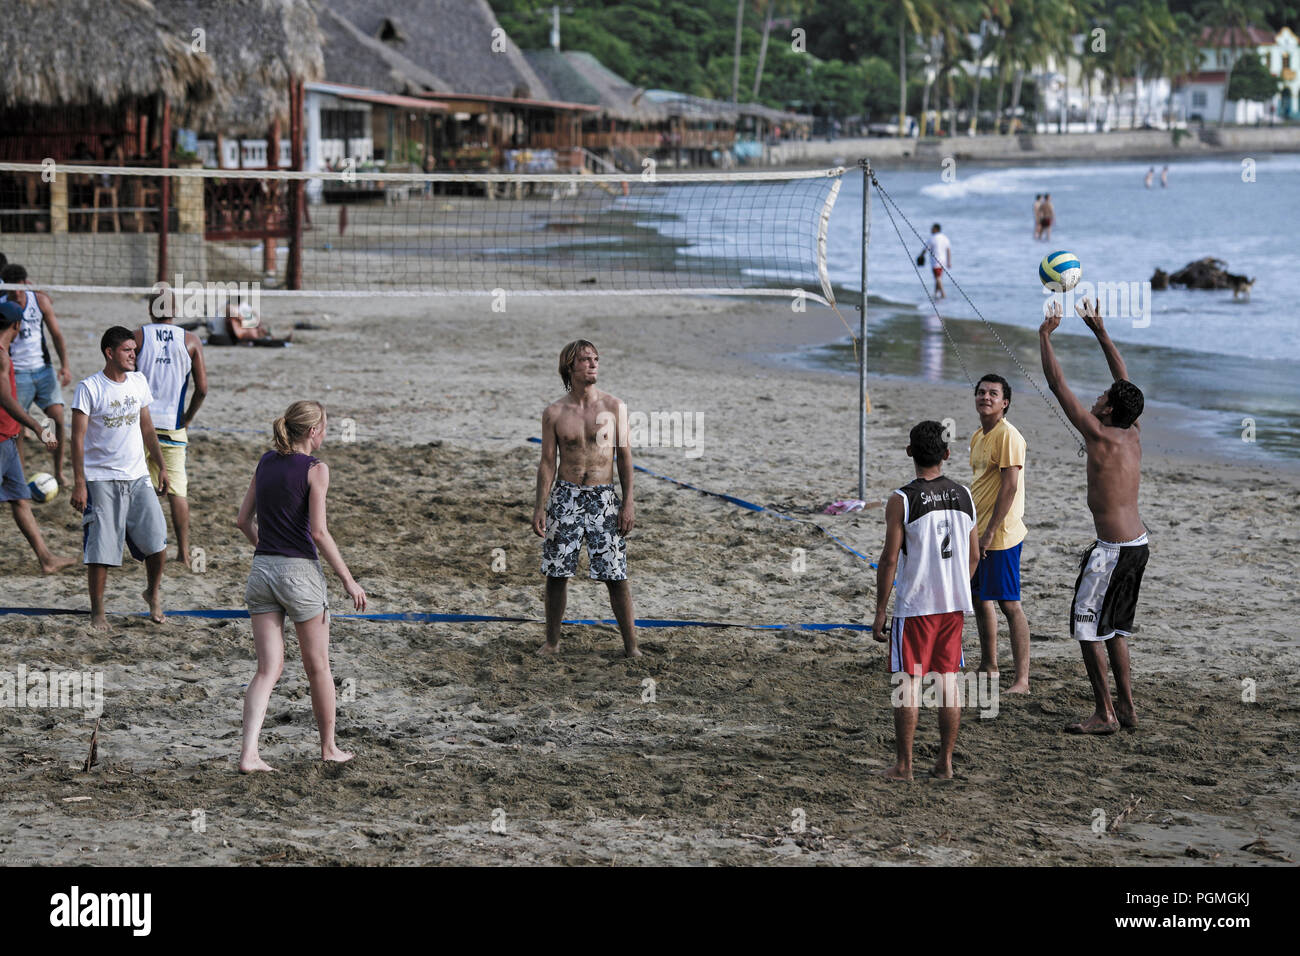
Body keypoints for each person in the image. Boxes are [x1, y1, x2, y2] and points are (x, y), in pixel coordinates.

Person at [235, 400, 366, 772]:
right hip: (300, 575)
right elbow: (318, 532)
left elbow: (243, 520)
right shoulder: (316, 469)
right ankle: (328, 747)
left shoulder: (265, 462)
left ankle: (249, 755)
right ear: (313, 432)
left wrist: (268, 551)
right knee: (318, 667)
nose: (325, 433)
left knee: (267, 669)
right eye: (324, 427)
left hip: (262, 571)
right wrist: (348, 579)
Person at [1039, 298, 1148, 735]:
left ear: (1107, 410)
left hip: (1112, 552)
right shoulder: (1132, 430)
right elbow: (1126, 384)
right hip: (1139, 546)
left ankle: (1104, 714)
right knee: (1115, 629)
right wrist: (1100, 332)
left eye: (1102, 397)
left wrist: (1045, 336)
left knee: (1087, 629)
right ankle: (1127, 708)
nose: (1098, 395)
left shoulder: (1098, 433)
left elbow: (1056, 383)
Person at [873, 421, 979, 781]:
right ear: (946, 455)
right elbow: (975, 555)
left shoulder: (902, 499)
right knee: (948, 680)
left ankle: (904, 765)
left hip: (916, 605)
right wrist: (956, 583)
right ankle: (944, 763)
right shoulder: (964, 494)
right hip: (952, 604)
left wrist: (879, 611)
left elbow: (889, 559)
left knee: (909, 683)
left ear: (909, 453)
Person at [532, 339, 639, 657]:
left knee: (615, 574)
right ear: (570, 367)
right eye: (585, 360)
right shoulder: (554, 412)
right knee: (556, 573)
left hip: (603, 498)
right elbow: (548, 462)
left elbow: (625, 457)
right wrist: (540, 505)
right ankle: (552, 643)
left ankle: (631, 646)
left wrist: (628, 501)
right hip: (565, 497)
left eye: (595, 359)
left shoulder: (614, 407)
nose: (593, 364)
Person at [70, 326, 169, 628]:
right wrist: (79, 483)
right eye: (127, 350)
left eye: (134, 350)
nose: (133, 355)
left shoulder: (138, 382)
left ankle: (151, 593)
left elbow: (148, 428)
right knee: (101, 552)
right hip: (101, 479)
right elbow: (77, 438)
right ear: (109, 353)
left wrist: (161, 465)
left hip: (138, 475)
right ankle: (97, 611)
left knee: (158, 544)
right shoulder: (89, 388)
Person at [0, 301, 76, 574]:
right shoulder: (1, 355)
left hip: (7, 439)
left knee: (21, 499)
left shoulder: (5, 353)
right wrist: (36, 427)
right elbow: (5, 399)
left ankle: (46, 559)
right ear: (17, 326)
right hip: (0, 439)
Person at [134, 288, 208, 568]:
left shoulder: (137, 336)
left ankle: (136, 547)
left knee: (133, 486)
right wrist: (187, 418)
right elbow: (202, 388)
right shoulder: (190, 340)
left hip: (141, 425)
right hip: (173, 426)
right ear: (174, 311)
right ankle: (184, 553)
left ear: (151, 310)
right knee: (178, 491)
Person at [969, 373, 1031, 693]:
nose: (986, 397)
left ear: (1004, 403)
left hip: (1001, 534)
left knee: (1010, 604)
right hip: (977, 530)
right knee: (979, 597)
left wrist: (990, 532)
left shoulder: (1009, 436)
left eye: (993, 394)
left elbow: (1009, 487)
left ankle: (1022, 680)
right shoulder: (980, 435)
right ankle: (989, 665)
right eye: (981, 392)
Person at [3, 263, 71, 488]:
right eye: (13, 290)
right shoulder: (3, 307)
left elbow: (57, 335)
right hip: (17, 372)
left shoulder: (39, 301)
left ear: (25, 283)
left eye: (21, 288)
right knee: (18, 428)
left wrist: (65, 366)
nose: (18, 294)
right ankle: (20, 475)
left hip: (43, 370)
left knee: (58, 420)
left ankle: (59, 472)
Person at [925, 223, 952, 300]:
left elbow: (926, 249)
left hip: (935, 260)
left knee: (937, 277)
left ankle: (943, 294)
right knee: (938, 277)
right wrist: (949, 262)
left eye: (932, 228)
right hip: (943, 260)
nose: (931, 230)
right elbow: (948, 250)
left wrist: (921, 256)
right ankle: (936, 294)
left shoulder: (933, 238)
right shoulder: (945, 238)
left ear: (936, 229)